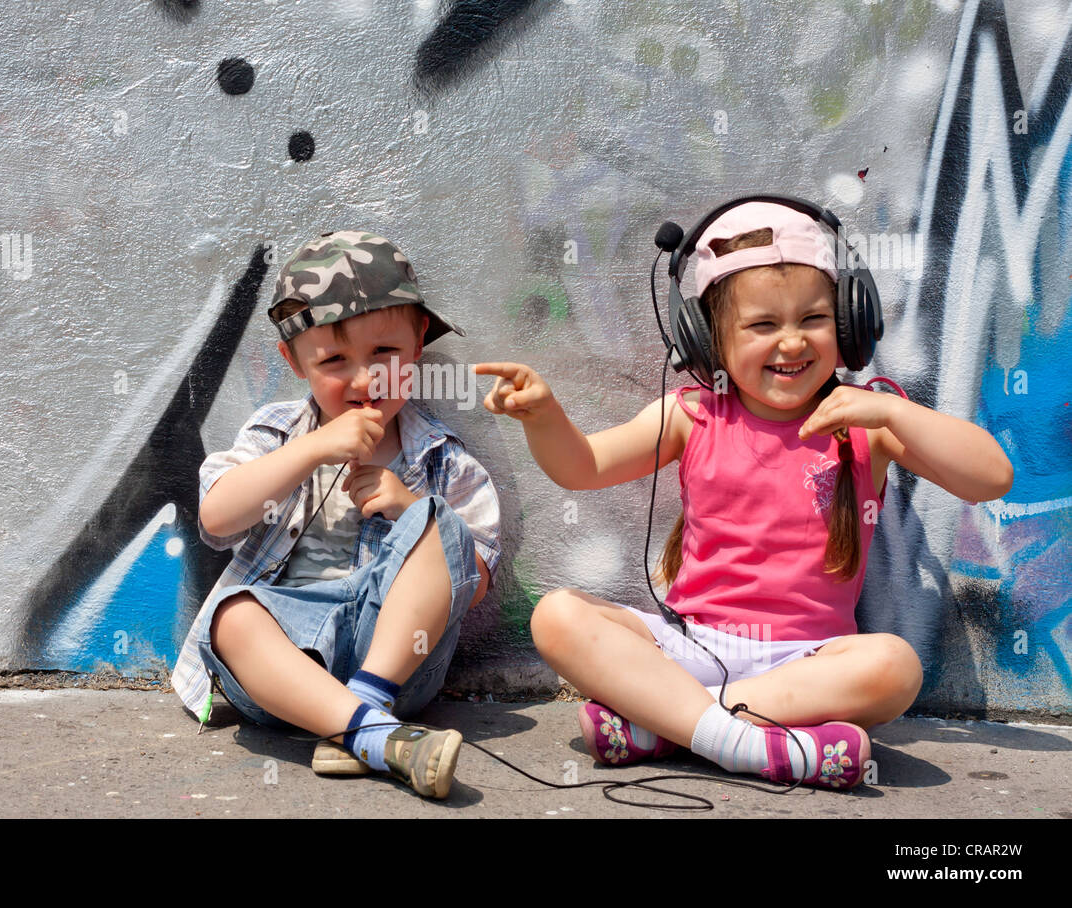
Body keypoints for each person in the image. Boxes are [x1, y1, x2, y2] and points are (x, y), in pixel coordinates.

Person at [475, 200, 1013, 790]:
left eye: (813, 319)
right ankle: (748, 743)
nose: (791, 343)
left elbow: (991, 477)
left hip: (807, 667)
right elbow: (583, 467)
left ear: (849, 325)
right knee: (558, 616)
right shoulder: (689, 416)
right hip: (690, 648)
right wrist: (544, 416)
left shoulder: (867, 421)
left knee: (894, 667)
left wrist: (890, 409)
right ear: (707, 341)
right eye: (762, 326)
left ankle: (671, 724)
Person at [172, 230, 500, 800]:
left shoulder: (444, 459)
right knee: (230, 616)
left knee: (437, 521)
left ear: (419, 342)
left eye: (384, 354)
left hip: (399, 666)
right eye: (334, 360)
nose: (363, 378)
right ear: (293, 361)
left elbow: (472, 584)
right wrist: (311, 450)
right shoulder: (277, 434)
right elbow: (218, 517)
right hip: (288, 669)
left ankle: (365, 718)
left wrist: (409, 510)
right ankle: (373, 734)